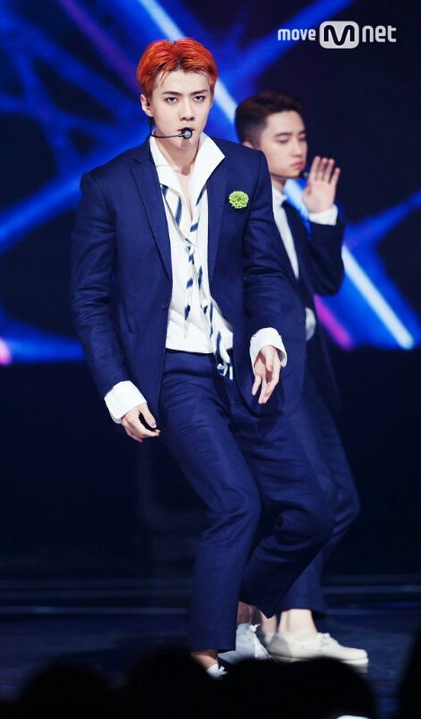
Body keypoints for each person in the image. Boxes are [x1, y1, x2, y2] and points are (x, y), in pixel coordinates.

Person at [70, 38, 334, 676]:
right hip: (175, 371)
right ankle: (204, 653)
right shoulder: (111, 185)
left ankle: (239, 613)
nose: (187, 111)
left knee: (311, 508)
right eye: (172, 99)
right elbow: (89, 298)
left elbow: (263, 268)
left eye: (199, 97)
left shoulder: (243, 171)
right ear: (147, 104)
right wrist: (118, 388)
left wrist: (266, 336)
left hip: (242, 368)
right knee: (236, 501)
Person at [233, 90, 367, 665]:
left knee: (341, 501)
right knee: (310, 499)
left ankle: (260, 609)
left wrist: (321, 215)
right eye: (283, 139)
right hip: (271, 370)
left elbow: (326, 282)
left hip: (306, 372)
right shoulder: (239, 208)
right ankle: (294, 624)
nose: (298, 149)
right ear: (250, 148)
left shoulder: (289, 209)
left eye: (302, 137)